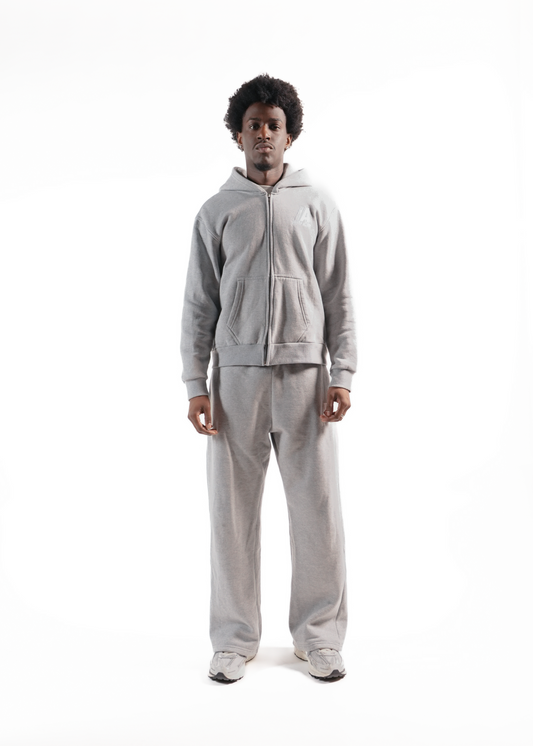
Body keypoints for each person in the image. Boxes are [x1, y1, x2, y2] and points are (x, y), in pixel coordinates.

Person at [180, 73, 357, 683]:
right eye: (252, 124)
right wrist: (196, 385)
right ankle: (233, 640)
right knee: (232, 517)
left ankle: (319, 638)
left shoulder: (317, 205)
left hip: (307, 380)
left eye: (273, 125)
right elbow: (199, 304)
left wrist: (343, 372)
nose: (263, 134)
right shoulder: (217, 211)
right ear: (238, 135)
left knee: (318, 513)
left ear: (289, 135)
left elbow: (338, 294)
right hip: (236, 384)